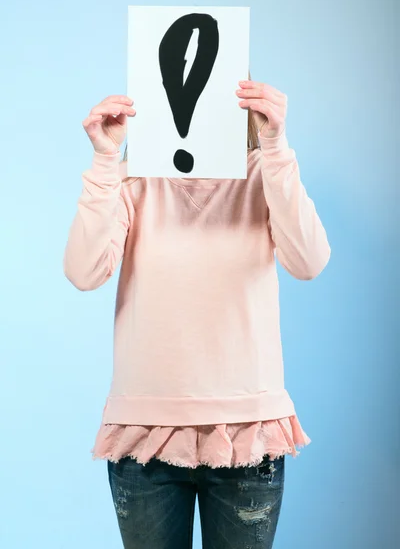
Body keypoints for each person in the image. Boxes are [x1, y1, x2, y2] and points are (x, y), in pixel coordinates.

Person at [64, 78, 331, 549]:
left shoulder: (264, 174)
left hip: (247, 434)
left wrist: (276, 147)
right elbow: (84, 272)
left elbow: (308, 261)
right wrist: (105, 161)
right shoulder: (131, 180)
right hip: (143, 437)